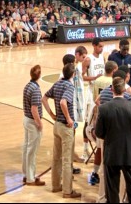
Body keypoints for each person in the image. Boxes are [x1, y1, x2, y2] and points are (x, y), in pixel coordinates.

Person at [95, 76, 131, 203]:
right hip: (129, 153)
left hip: (111, 153)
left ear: (112, 89)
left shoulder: (104, 108)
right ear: (124, 90)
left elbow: (99, 133)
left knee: (112, 189)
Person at [43, 63, 79, 199]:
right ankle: (67, 191)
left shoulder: (57, 84)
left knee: (56, 157)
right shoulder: (70, 86)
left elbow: (44, 98)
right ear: (73, 74)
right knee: (67, 159)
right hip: (65, 127)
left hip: (56, 124)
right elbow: (64, 102)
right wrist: (69, 119)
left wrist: (51, 114)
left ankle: (55, 185)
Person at [23, 65, 46, 186]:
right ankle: (30, 178)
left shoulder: (28, 85)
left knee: (26, 147)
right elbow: (34, 109)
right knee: (32, 150)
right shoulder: (36, 89)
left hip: (26, 119)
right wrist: (39, 123)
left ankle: (27, 174)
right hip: (32, 122)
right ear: (39, 75)